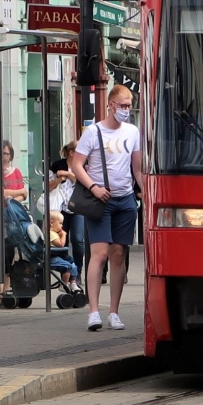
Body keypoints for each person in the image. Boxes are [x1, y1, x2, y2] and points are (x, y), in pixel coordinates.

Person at [70, 84, 144, 332]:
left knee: (118, 255)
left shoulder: (133, 131)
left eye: (129, 105)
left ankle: (114, 311)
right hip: (100, 200)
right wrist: (93, 188)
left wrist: (144, 190)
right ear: (110, 105)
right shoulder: (94, 132)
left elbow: (137, 167)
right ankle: (93, 311)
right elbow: (77, 165)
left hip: (125, 200)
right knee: (99, 254)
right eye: (122, 105)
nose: (126, 109)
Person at [0, 140, 28, 306]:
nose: (4, 157)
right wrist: (15, 193)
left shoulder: (16, 172)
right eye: (1, 153)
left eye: (7, 153)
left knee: (10, 254)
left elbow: (25, 195)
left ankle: (6, 292)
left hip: (13, 218)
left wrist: (11, 198)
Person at [49, 141, 86, 272]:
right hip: (60, 209)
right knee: (60, 240)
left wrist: (69, 174)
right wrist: (59, 179)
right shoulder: (57, 165)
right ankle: (66, 270)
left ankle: (78, 270)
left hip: (78, 208)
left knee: (77, 239)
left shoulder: (83, 166)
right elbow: (47, 187)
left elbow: (84, 183)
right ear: (71, 153)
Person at [47, 211, 83, 292]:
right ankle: (64, 284)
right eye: (60, 223)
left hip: (59, 255)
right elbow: (61, 244)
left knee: (73, 266)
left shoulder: (55, 233)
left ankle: (73, 283)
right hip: (53, 257)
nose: (62, 226)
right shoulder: (50, 234)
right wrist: (64, 235)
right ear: (52, 223)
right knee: (68, 266)